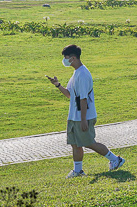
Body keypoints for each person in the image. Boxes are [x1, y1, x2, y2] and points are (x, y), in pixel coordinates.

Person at [46, 44, 125, 178]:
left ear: (72, 58)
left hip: (83, 116)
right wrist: (58, 85)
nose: (64, 61)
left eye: (66, 58)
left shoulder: (82, 74)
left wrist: (83, 120)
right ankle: (78, 171)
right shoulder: (76, 73)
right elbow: (70, 95)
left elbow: (83, 99)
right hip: (74, 115)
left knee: (89, 143)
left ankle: (115, 159)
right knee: (75, 144)